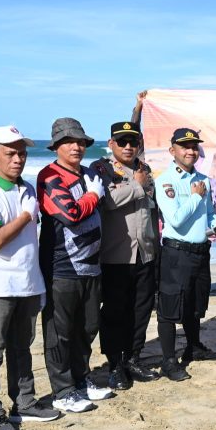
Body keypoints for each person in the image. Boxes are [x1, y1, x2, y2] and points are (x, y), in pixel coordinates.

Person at [0, 126, 61, 430]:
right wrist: (24, 217)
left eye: (22, 153)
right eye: (10, 153)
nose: (18, 158)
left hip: (28, 282)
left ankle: (24, 403)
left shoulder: (28, 188)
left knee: (22, 347)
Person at [38, 118, 111, 413]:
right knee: (60, 332)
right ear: (56, 146)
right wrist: (93, 195)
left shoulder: (89, 173)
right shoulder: (49, 176)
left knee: (88, 326)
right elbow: (70, 214)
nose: (76, 147)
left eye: (80, 142)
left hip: (92, 265)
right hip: (62, 267)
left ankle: (82, 379)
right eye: (68, 142)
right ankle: (63, 390)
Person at [89, 122, 160, 389]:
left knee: (141, 310)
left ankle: (133, 358)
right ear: (111, 144)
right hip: (116, 254)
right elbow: (108, 201)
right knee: (114, 312)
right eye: (122, 142)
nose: (128, 147)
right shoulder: (101, 169)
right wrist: (137, 186)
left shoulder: (145, 169)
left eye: (133, 142)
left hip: (145, 252)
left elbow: (151, 209)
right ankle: (115, 364)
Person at [154, 128, 216, 381]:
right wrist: (195, 197)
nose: (190, 151)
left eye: (194, 146)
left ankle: (194, 347)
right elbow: (175, 219)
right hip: (177, 252)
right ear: (172, 150)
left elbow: (209, 214)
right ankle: (168, 361)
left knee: (195, 304)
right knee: (170, 308)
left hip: (200, 251)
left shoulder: (203, 179)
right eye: (185, 146)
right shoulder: (165, 180)